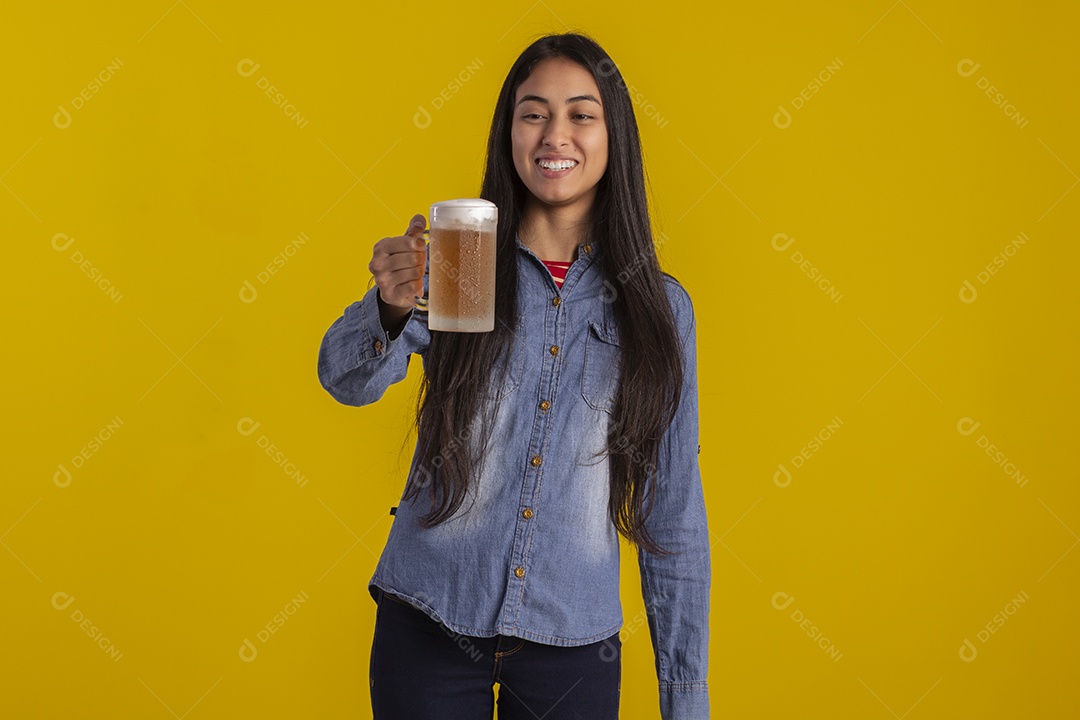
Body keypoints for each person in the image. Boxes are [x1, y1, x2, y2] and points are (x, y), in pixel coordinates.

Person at [317, 32, 710, 720]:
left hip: (574, 644)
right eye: (533, 114)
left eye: (581, 114)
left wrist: (685, 698)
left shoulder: (658, 309)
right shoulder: (459, 264)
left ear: (613, 136)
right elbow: (345, 381)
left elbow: (672, 513)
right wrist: (387, 307)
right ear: (509, 133)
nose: (555, 134)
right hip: (430, 620)